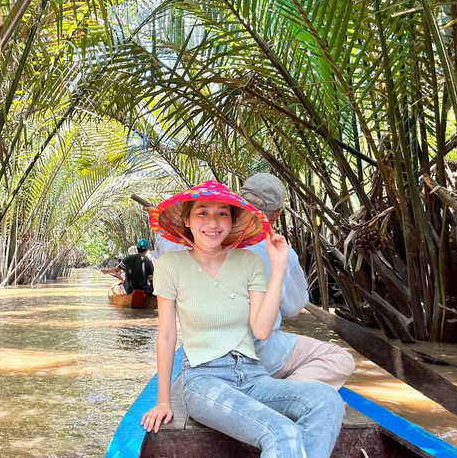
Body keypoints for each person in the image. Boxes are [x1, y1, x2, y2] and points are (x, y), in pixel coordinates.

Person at [142, 181, 344, 458]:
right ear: (187, 220)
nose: (213, 222)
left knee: (327, 400)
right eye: (202, 213)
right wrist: (163, 400)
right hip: (204, 380)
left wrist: (280, 265)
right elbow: (166, 336)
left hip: (253, 375)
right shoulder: (170, 266)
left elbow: (261, 330)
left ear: (233, 221)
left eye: (222, 213)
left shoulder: (250, 263)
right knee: (282, 432)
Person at [241, 173, 355, 390]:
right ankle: (291, 389)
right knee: (339, 357)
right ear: (277, 215)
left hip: (215, 353)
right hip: (264, 356)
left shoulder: (208, 241)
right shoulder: (282, 253)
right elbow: (293, 308)